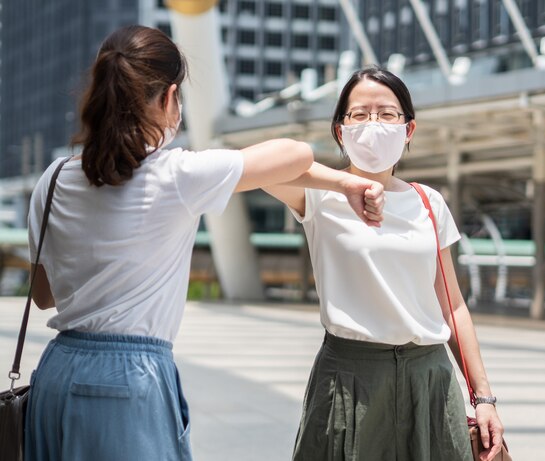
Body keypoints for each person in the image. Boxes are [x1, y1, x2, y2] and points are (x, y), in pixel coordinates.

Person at [25, 26, 385, 461]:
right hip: (126, 380)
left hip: (56, 372)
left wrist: (343, 181)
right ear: (169, 98)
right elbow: (294, 154)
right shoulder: (177, 175)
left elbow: (44, 296)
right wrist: (346, 180)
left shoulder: (56, 176)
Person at [264, 67, 505, 461]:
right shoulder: (318, 196)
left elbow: (452, 305)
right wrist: (344, 184)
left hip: (429, 377)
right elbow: (256, 164)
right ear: (340, 130)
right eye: (358, 114)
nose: (373, 123)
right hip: (350, 377)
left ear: (408, 129)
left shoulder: (429, 202)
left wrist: (484, 397)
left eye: (387, 113)